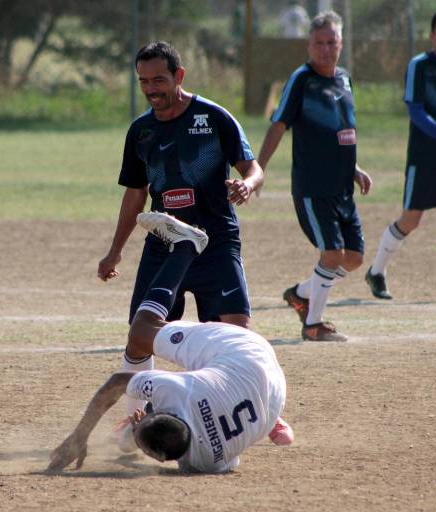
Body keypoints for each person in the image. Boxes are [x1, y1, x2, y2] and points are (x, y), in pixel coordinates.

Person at [49, 212, 293, 474]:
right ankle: (185, 248)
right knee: (143, 331)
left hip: (273, 392)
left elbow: (224, 456)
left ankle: (186, 245)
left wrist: (144, 427)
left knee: (139, 337)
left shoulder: (207, 461)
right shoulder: (180, 398)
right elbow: (119, 382)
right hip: (244, 354)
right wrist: (80, 436)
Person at [97, 41, 264, 418]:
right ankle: (137, 418)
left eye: (158, 80)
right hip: (165, 245)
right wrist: (115, 250)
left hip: (216, 242)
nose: (151, 89)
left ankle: (257, 406)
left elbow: (253, 169)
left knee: (238, 334)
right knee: (141, 336)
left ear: (179, 76)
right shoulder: (140, 132)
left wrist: (247, 185)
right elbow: (135, 195)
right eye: (143, 82)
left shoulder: (214, 117)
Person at [257, 11, 373, 342]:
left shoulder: (344, 79)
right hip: (313, 186)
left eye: (332, 42)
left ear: (341, 43)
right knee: (332, 255)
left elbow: (338, 131)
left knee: (353, 258)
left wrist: (354, 169)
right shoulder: (302, 80)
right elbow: (278, 125)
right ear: (308, 45)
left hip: (341, 187)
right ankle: (313, 325)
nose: (326, 49)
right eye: (319, 43)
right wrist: (259, 169)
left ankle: (301, 294)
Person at [366, 11, 436, 302]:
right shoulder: (420, 66)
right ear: (432, 36)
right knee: (411, 220)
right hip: (426, 158)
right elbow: (415, 111)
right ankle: (376, 272)